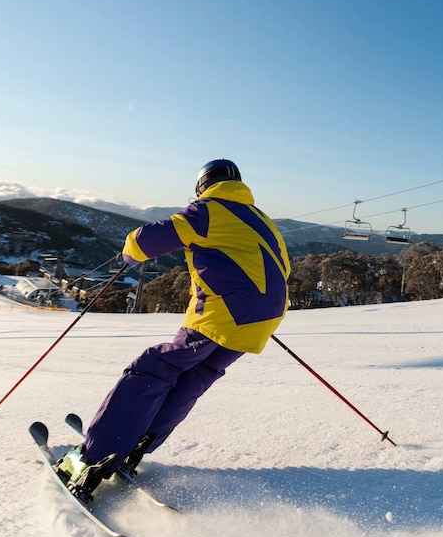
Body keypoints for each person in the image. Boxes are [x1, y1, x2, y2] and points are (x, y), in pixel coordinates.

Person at [55, 159, 291, 501]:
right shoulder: (263, 220)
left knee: (155, 367)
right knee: (196, 374)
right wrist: (256, 307)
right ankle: (136, 444)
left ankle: (93, 459)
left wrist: (129, 252)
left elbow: (148, 240)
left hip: (224, 312)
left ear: (202, 186)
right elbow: (277, 265)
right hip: (264, 317)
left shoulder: (208, 210)